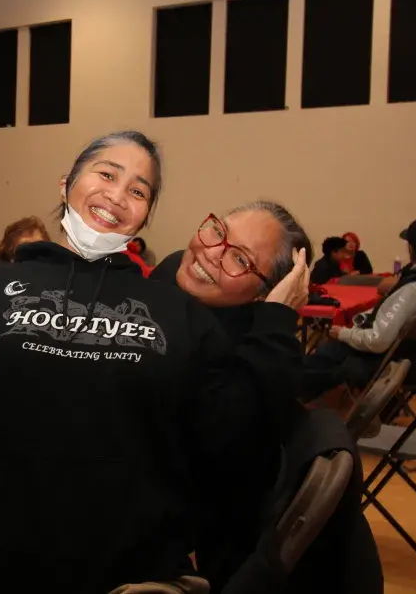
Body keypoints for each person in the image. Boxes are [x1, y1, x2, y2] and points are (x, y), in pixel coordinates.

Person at [0, 130, 310, 594]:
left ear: (146, 217)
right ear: (67, 183)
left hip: (127, 579)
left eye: (139, 190)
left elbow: (234, 439)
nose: (117, 194)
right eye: (107, 174)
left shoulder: (179, 315)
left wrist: (276, 323)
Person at [150, 200, 313, 589]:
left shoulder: (258, 349)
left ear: (266, 293)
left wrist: (278, 319)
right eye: (217, 231)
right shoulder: (171, 274)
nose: (210, 254)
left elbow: (223, 447)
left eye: (239, 258)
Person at [300, 216, 416, 400]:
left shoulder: (415, 288)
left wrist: (343, 333)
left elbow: (377, 341)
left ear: (413, 247)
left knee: (326, 354)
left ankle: (294, 403)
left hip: (396, 365)